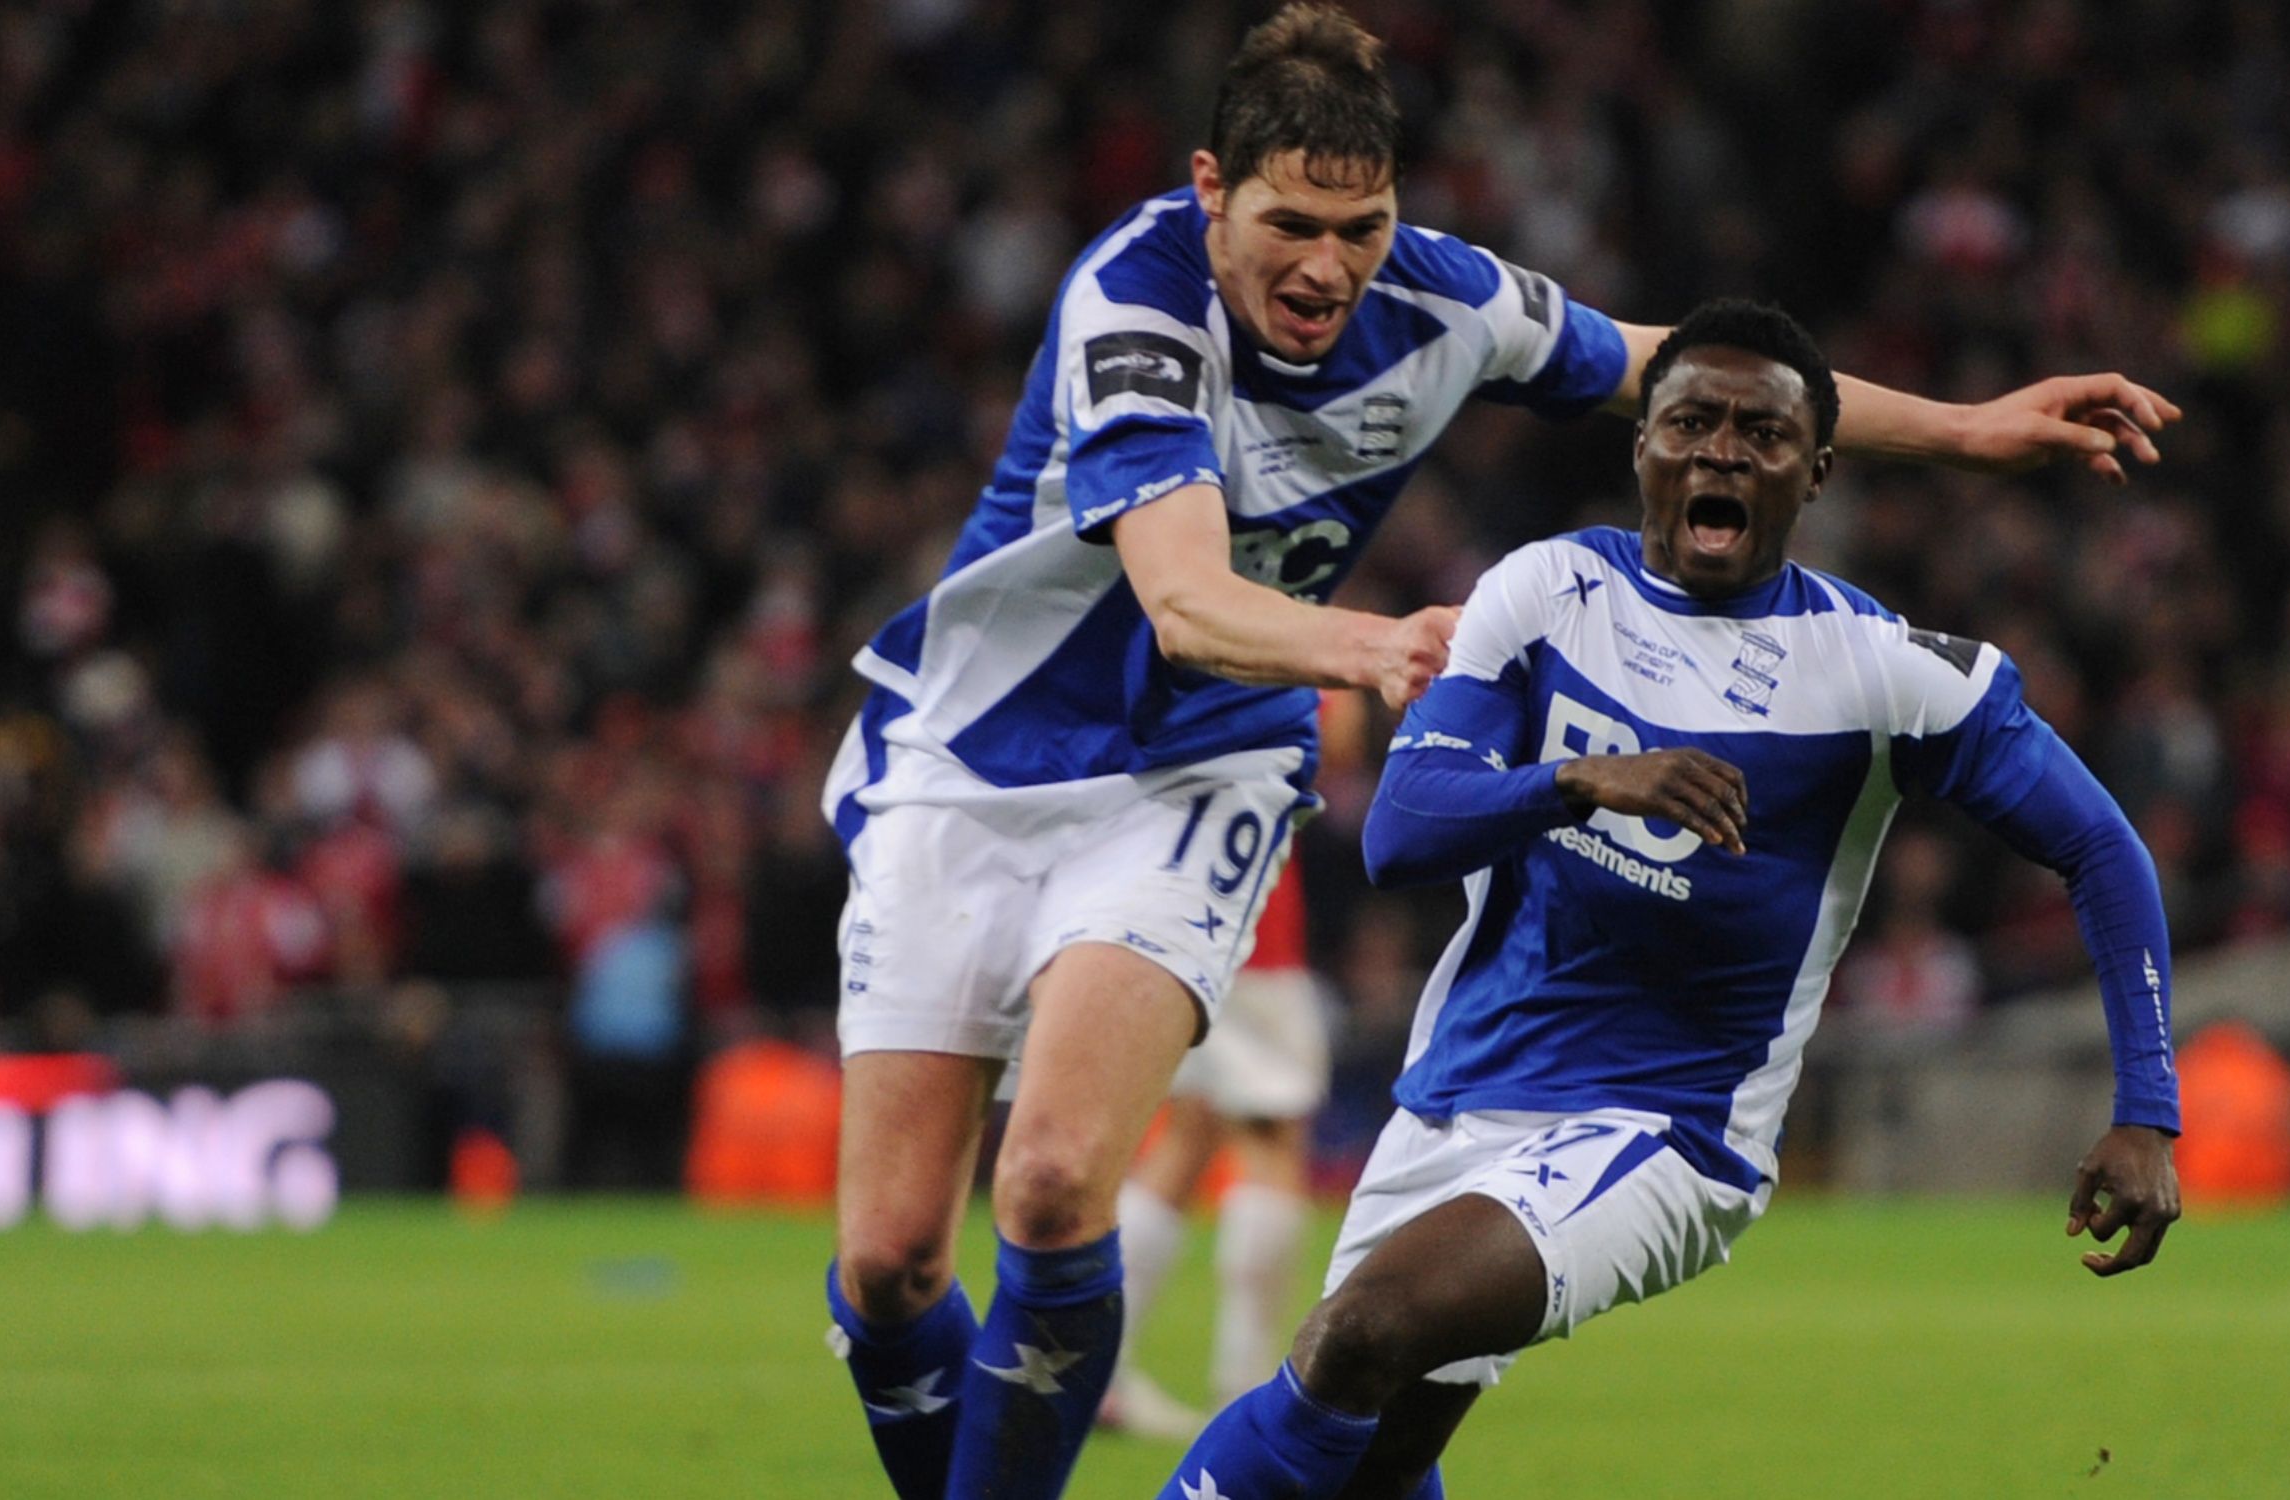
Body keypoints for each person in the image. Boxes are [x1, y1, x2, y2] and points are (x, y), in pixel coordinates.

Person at [816, 10, 2181, 1499]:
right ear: (1209, 192)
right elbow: (1183, 601)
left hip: (1196, 771)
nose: (1329, 268)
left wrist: (1973, 429)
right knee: (891, 1261)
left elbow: (1680, 368)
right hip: (970, 754)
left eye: (1364, 227)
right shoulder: (1133, 309)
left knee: (1060, 1182)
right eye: (1289, 226)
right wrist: (1376, 650)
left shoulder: (1451, 306)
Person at [1153, 299, 2182, 1500]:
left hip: (1667, 1129)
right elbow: (1401, 831)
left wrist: (2147, 1109)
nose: (1722, 453)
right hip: (1457, 1094)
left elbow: (2102, 849)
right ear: (1641, 444)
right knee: (1375, 1453)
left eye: (1763, 434)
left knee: (1355, 1338)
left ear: (1818, 472)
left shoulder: (1887, 674)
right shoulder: (1545, 593)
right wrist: (1582, 779)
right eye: (1690, 421)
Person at [1102, 860, 1333, 1441]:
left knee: (1189, 1133)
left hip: (1169, 916)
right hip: (1249, 907)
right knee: (1270, 1136)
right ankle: (1245, 1392)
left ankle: (1096, 1373)